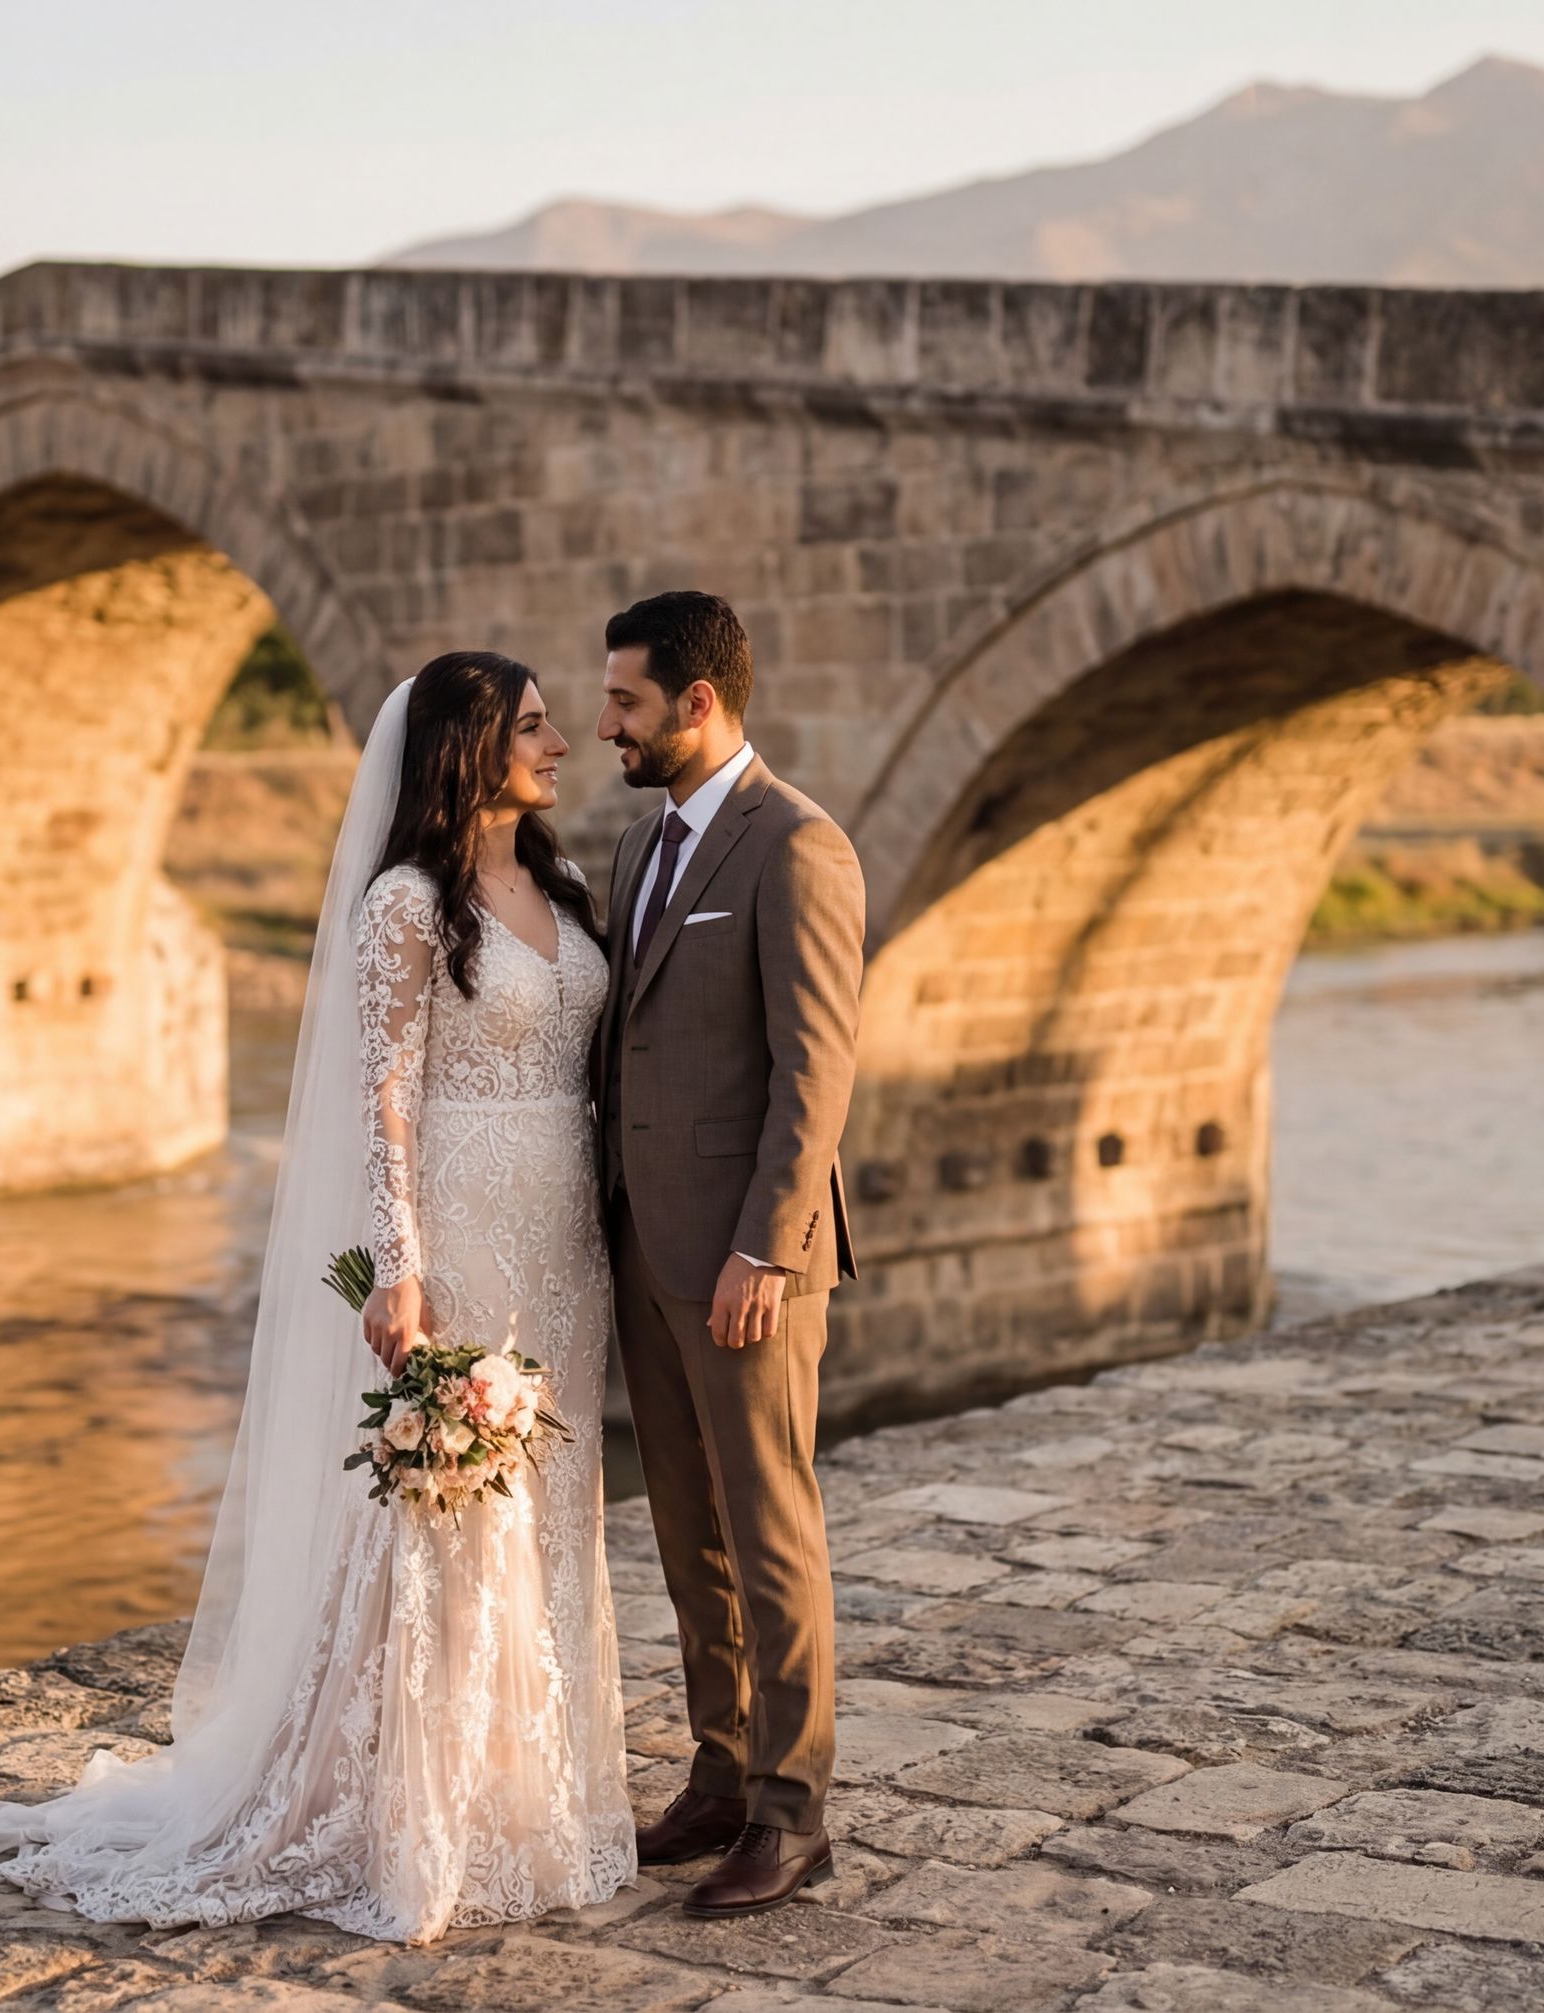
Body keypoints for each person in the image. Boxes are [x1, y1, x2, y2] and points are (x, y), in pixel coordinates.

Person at [0, 653, 633, 1943]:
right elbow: (380, 1093)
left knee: (548, 1505)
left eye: (556, 723)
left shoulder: (564, 881)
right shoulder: (403, 904)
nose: (560, 746)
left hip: (564, 1242)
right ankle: (423, 1812)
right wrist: (400, 1261)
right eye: (534, 728)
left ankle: (535, 1790)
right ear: (469, 747)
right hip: (466, 1226)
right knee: (452, 1513)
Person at [595, 590, 865, 1918]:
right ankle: (720, 1765)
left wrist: (768, 1242)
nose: (607, 727)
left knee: (770, 1524)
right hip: (650, 1241)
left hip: (750, 1259)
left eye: (628, 703)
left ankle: (794, 1806)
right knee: (689, 1524)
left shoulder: (797, 845)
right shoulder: (646, 844)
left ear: (700, 703)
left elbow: (815, 1071)